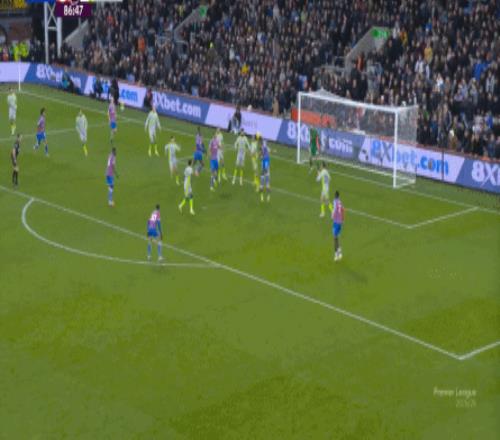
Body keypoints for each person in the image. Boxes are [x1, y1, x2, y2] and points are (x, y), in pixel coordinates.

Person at [331, 191, 345, 261]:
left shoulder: (335, 201)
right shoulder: (340, 202)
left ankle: (336, 255)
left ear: (334, 196)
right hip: (340, 222)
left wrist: (332, 215)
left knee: (334, 238)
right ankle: (339, 250)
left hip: (336, 222)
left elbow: (334, 209)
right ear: (339, 196)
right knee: (337, 237)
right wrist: (343, 219)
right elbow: (343, 209)